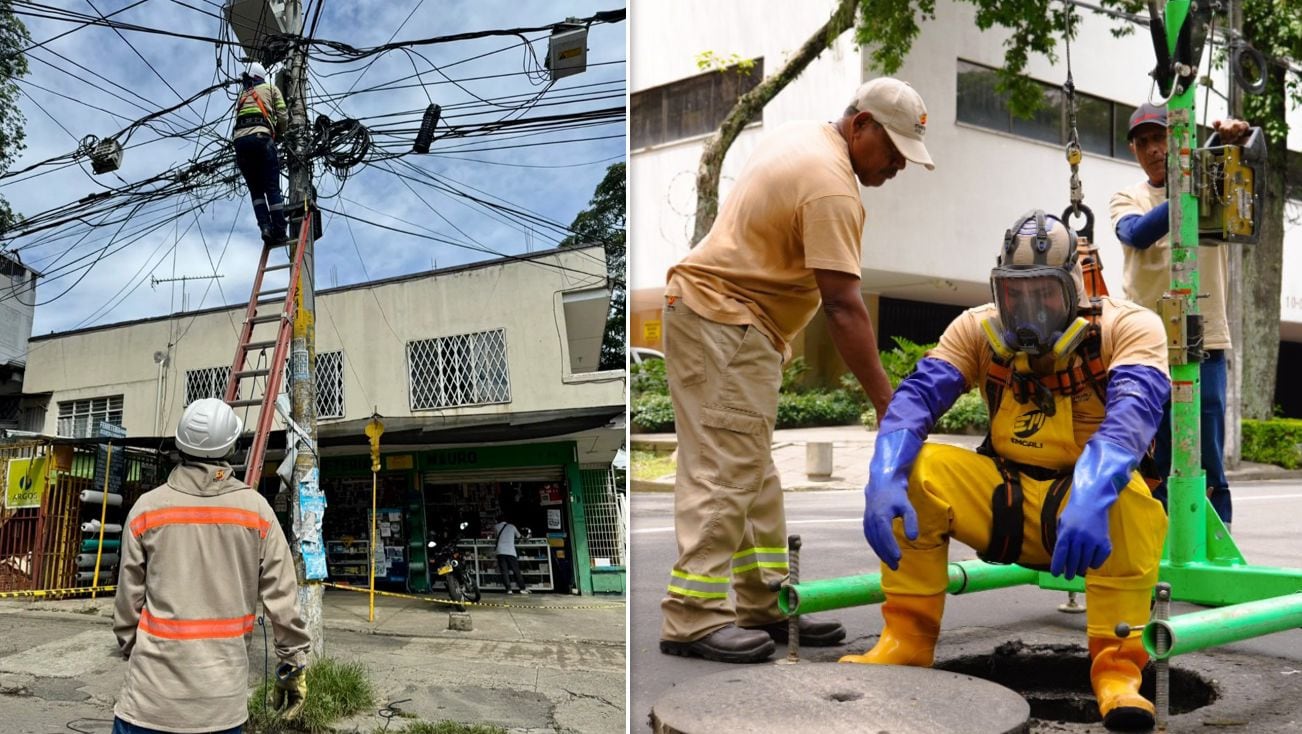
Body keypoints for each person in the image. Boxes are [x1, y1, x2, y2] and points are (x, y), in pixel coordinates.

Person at [843, 210, 1170, 729]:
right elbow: (917, 399)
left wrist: (1091, 491)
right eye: (1016, 293)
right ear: (999, 288)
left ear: (1074, 287)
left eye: (1046, 293)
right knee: (917, 469)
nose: (1028, 309)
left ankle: (1118, 674)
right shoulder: (975, 329)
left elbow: (1135, 412)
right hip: (1008, 502)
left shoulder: (1128, 327)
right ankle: (906, 640)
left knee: (1130, 500)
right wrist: (884, 471)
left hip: (1089, 513)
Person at [658, 77, 935, 664]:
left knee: (753, 471)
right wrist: (888, 405)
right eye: (893, 150)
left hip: (727, 320)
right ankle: (693, 615)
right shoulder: (830, 185)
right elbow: (842, 307)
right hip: (726, 320)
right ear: (861, 125)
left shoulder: (804, 137)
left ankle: (764, 601)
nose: (897, 166)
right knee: (726, 469)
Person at [112, 398, 311, 733]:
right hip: (221, 706)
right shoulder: (256, 511)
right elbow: (283, 597)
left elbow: (126, 605)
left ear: (179, 446)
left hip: (148, 702)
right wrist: (293, 663)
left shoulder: (147, 509)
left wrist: (137, 651)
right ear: (232, 448)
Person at [1109, 103, 1249, 531]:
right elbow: (1136, 233)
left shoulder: (1210, 189)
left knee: (1207, 450)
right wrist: (1190, 185)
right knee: (1155, 454)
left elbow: (1236, 178)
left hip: (1205, 337)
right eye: (1144, 142)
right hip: (1146, 344)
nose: (1153, 149)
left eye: (1160, 138)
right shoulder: (1127, 198)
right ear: (1134, 150)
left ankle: (1218, 544)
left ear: (1178, 141)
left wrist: (1227, 142)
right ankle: (1160, 541)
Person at [233, 62, 291, 245]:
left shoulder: (242, 96)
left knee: (256, 191)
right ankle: (280, 231)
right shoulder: (271, 89)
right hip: (262, 139)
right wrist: (279, 134)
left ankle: (265, 227)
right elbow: (283, 116)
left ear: (251, 77)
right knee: (271, 188)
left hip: (240, 143)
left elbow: (238, 119)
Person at [494, 517, 531, 594]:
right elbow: (519, 537)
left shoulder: (496, 526)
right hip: (510, 551)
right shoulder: (512, 526)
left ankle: (509, 589)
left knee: (504, 571)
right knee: (516, 570)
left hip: (500, 551)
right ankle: (522, 588)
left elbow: (496, 537)